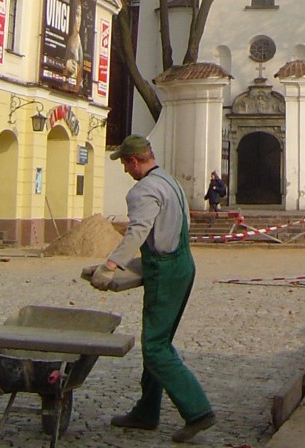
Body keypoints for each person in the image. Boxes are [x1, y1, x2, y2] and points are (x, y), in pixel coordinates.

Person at [90, 135, 215, 443]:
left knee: (157, 348)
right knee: (157, 341)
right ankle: (147, 411)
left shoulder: (143, 190)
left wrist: (110, 267)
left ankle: (198, 411)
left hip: (165, 269)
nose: (124, 169)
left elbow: (138, 231)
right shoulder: (169, 182)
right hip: (183, 264)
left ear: (134, 161)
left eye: (123, 163)